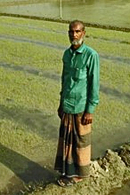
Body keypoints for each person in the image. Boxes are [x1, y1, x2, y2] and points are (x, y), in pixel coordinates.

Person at [54, 20, 100, 187]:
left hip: (81, 107)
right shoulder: (67, 54)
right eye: (71, 32)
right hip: (67, 104)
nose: (74, 35)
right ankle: (67, 171)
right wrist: (60, 103)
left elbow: (94, 84)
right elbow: (64, 81)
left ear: (84, 33)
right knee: (67, 140)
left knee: (80, 142)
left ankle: (80, 175)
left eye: (77, 31)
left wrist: (90, 110)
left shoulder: (91, 55)